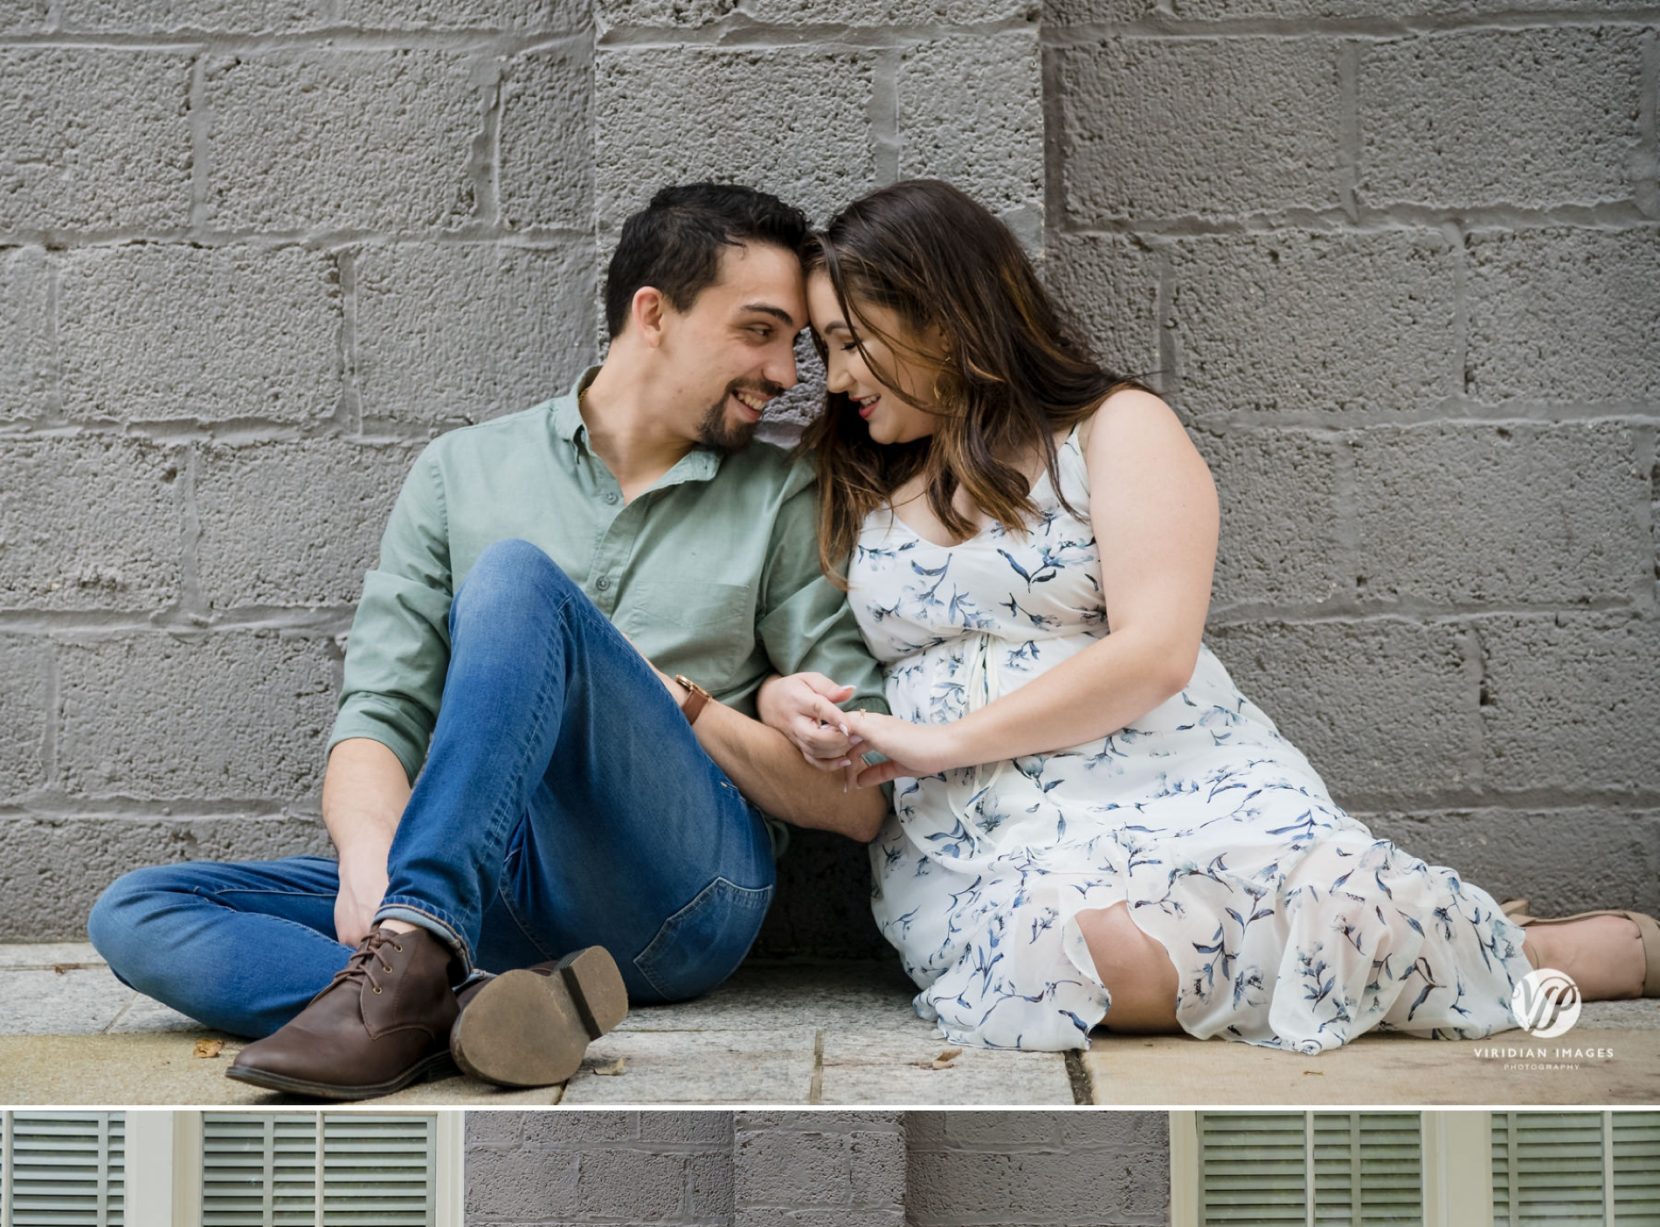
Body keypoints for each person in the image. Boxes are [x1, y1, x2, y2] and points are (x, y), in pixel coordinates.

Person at [758, 178, 1659, 1054]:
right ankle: (1415, 954)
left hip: (1175, 779)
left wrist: (945, 741)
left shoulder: (1115, 428)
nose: (833, 380)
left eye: (849, 342)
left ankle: (1512, 953)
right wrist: (779, 703)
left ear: (941, 318)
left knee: (1331, 906)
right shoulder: (851, 477)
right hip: (978, 830)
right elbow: (801, 640)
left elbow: (1156, 654)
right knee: (1070, 962)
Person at [85, 184, 889, 1101]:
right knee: (139, 911)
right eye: (760, 332)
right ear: (654, 314)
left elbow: (858, 805)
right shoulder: (461, 472)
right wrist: (370, 869)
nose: (788, 373)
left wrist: (686, 705)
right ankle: (463, 1002)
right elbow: (379, 714)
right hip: (488, 893)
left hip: (684, 897)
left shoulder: (785, 495)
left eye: (793, 344)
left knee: (513, 579)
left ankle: (408, 970)